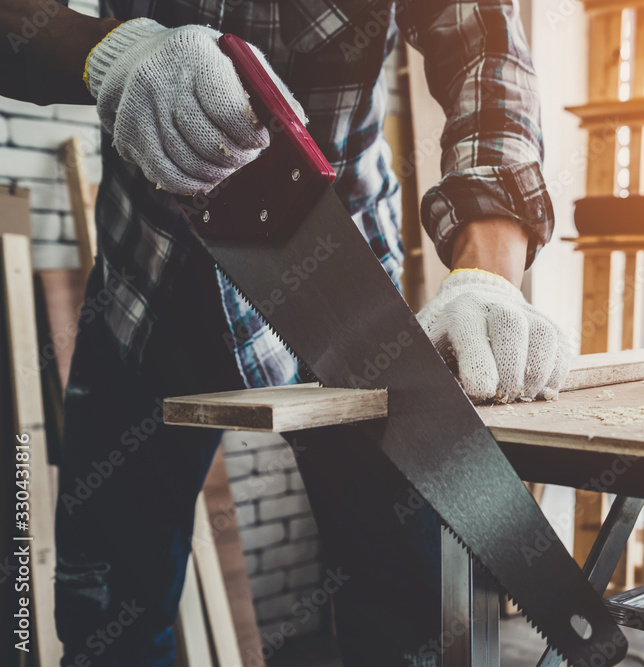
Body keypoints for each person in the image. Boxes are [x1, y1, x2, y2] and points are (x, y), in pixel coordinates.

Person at [1, 0, 570, 664]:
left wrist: (490, 270)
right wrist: (106, 50)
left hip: (342, 296)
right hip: (143, 288)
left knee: (409, 618)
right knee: (106, 619)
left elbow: (481, 45)